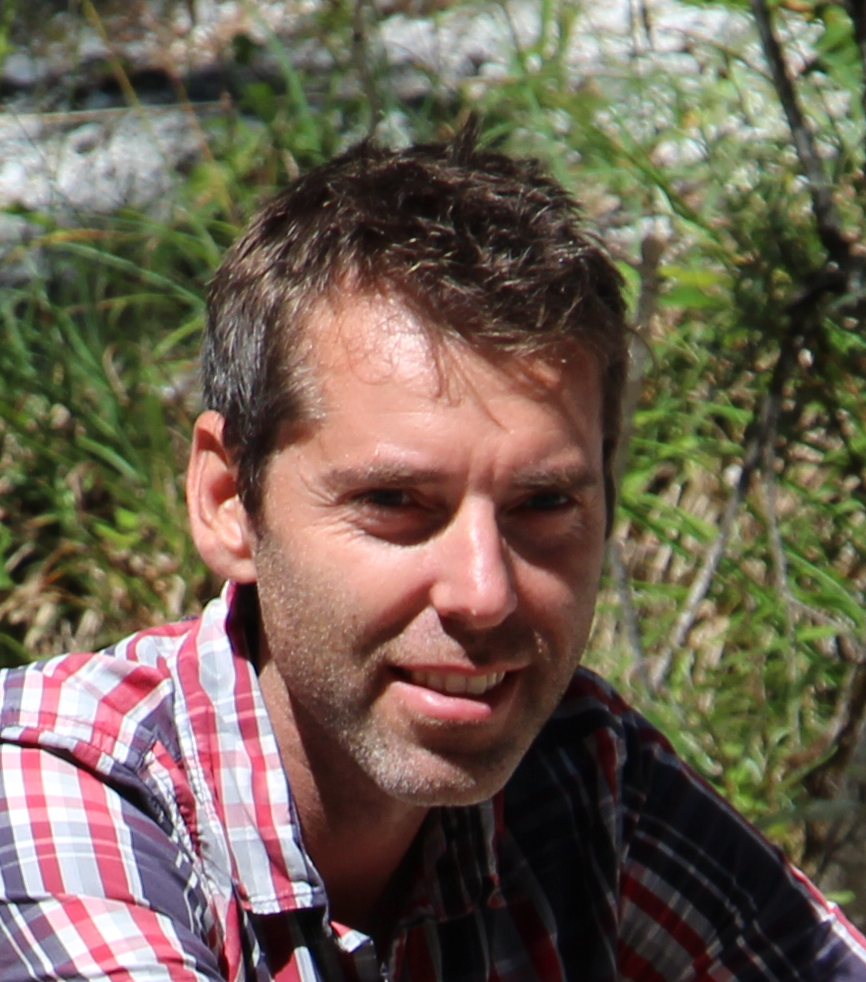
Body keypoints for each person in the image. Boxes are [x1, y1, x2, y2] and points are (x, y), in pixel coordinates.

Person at [0, 127, 864, 982]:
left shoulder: (579, 776)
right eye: (395, 503)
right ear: (230, 501)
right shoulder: (55, 791)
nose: (484, 593)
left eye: (543, 505)